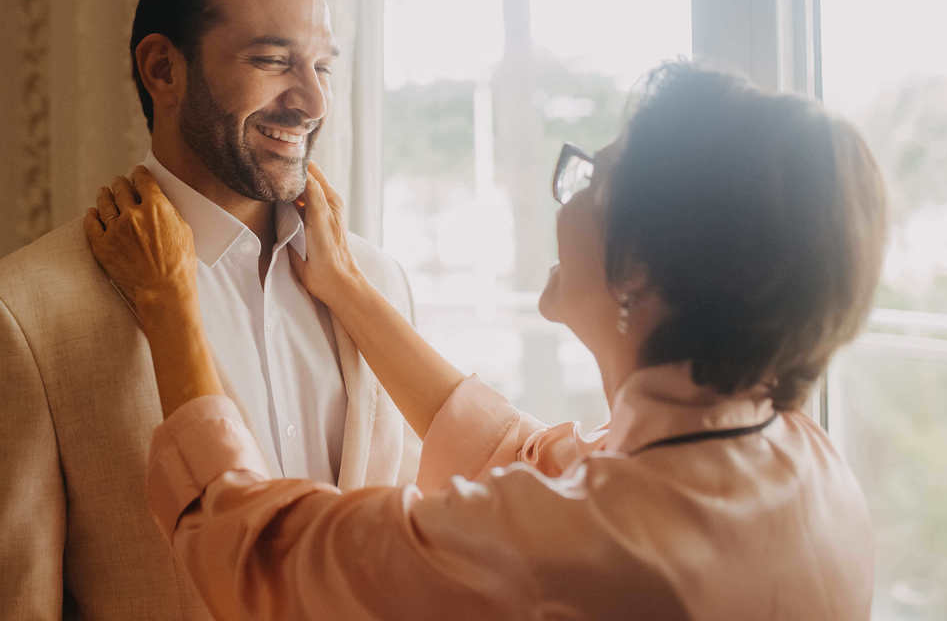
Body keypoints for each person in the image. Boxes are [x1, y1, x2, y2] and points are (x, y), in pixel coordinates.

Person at [87, 61, 887, 620]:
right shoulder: (797, 456)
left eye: (592, 180)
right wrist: (347, 289)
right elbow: (526, 459)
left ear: (640, 267)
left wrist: (170, 306)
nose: (564, 199)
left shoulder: (595, 547)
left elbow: (261, 556)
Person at [0, 0, 418, 620]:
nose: (312, 101)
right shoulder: (19, 316)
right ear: (163, 70)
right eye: (273, 60)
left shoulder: (379, 284)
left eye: (323, 66)